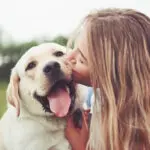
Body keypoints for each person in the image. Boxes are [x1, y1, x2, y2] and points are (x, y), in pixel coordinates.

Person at [65, 8, 150, 150]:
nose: (68, 58)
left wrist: (80, 146)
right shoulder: (99, 99)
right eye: (75, 48)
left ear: (110, 76)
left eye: (81, 59)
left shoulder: (138, 130)